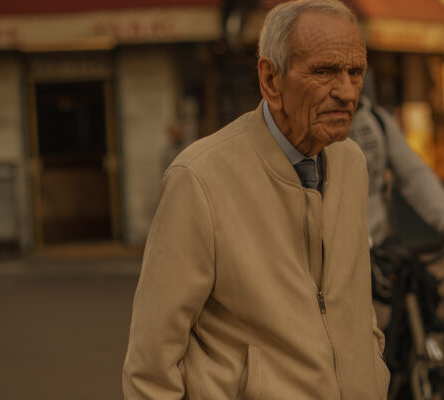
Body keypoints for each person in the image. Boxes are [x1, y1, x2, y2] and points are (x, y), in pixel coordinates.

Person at [122, 1, 390, 399]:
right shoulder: (200, 177)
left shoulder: (351, 162)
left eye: (355, 72)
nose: (348, 92)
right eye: (325, 72)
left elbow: (353, 303)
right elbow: (150, 365)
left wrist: (371, 369)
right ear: (270, 80)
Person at [349, 95, 444, 258]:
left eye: (354, 72)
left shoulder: (377, 120)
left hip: (377, 249)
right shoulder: (311, 122)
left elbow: (414, 174)